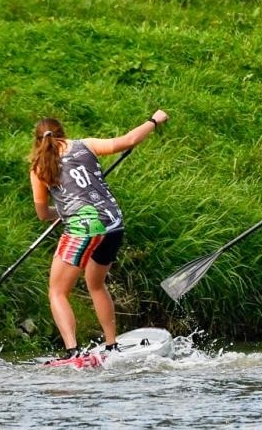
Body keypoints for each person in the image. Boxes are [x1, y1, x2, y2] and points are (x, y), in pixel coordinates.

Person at [29, 112, 167, 359]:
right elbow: (129, 139)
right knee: (95, 283)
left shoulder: (38, 167)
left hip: (84, 227)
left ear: (37, 140)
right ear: (63, 132)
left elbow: (42, 213)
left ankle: (72, 351)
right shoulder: (86, 145)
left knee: (57, 291)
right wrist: (153, 120)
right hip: (113, 222)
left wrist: (62, 211)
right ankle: (111, 344)